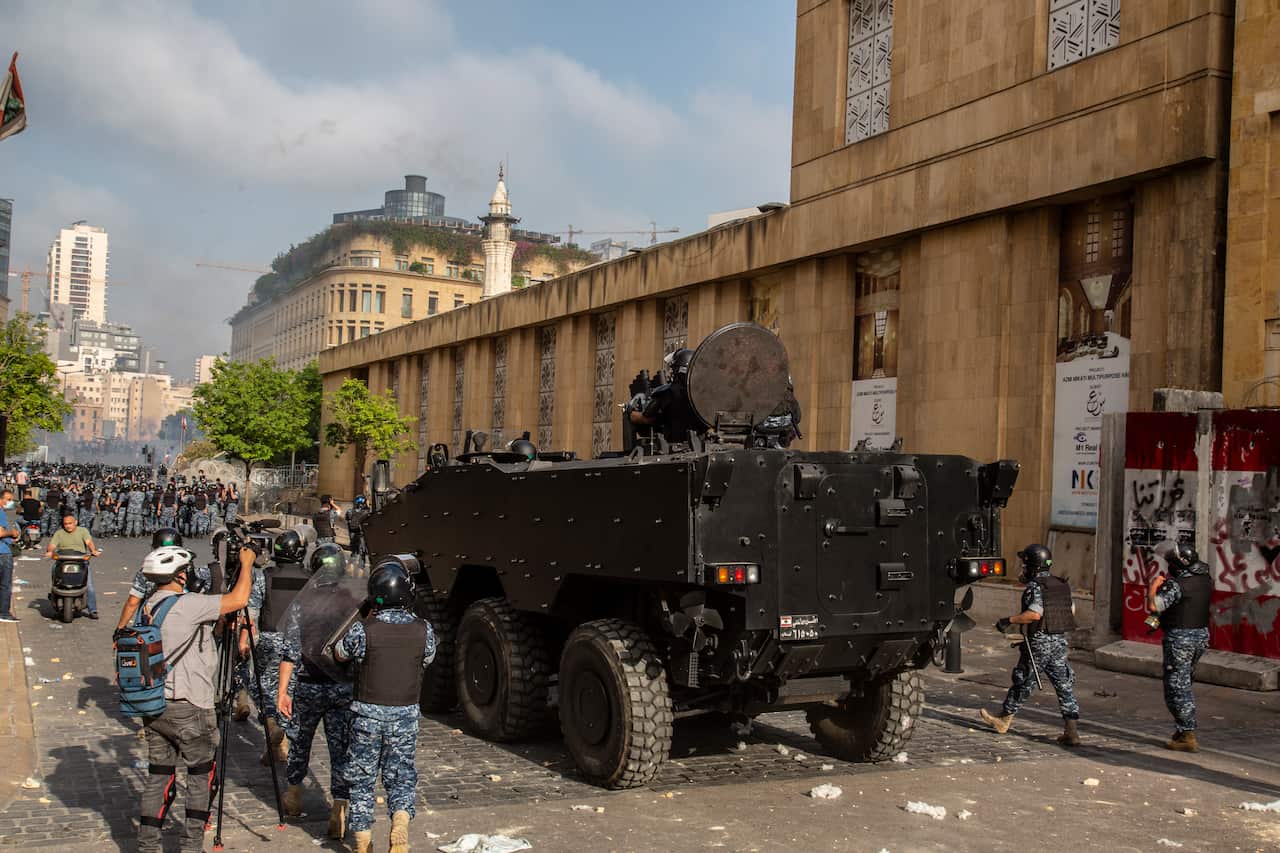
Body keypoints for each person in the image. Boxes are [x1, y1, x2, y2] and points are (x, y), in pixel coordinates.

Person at [129, 543, 256, 853]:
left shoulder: (149, 607)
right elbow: (239, 599)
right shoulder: (187, 604)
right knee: (201, 777)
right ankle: (190, 846)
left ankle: (147, 846)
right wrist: (248, 563)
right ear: (181, 576)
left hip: (155, 704)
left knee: (159, 776)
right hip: (191, 706)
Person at [335, 561, 435, 853]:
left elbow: (340, 654)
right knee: (401, 774)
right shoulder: (423, 629)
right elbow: (426, 659)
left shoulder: (364, 630)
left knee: (362, 780)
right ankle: (401, 818)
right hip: (405, 715)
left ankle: (363, 841)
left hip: (367, 715)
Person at [276, 543, 355, 837]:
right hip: (341, 688)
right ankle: (339, 807)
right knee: (341, 750)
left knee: (299, 744)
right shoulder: (351, 603)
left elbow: (290, 652)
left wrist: (282, 691)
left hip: (308, 686)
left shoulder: (302, 603)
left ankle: (294, 796)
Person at [980, 544, 1081, 746]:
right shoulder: (1061, 585)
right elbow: (1071, 611)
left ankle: (1003, 719)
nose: (1022, 569)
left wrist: (1009, 620)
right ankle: (1072, 732)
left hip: (1040, 643)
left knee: (1024, 679)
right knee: (1064, 685)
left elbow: (1034, 614)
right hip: (1059, 641)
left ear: (1032, 566)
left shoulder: (1036, 587)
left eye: (1024, 564)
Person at [248, 530, 309, 766]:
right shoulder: (311, 578)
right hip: (300, 643)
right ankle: (281, 740)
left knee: (259, 687)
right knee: (290, 692)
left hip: (269, 639)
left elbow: (253, 610)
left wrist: (248, 638)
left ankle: (272, 724)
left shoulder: (266, 576)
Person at [1147, 541, 1213, 753]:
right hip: (1200, 636)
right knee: (1185, 681)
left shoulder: (1176, 585)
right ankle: (1181, 730)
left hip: (1180, 639)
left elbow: (1154, 605)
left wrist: (1154, 586)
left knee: (1177, 687)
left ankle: (1187, 734)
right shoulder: (1204, 579)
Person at [628, 348, 707, 445]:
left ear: (678, 370)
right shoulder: (704, 393)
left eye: (673, 368)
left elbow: (646, 417)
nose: (671, 372)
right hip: (702, 445)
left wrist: (630, 413)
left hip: (673, 446)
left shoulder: (666, 392)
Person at [46, 512, 103, 619]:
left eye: (70, 523)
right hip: (63, 560)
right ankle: (55, 599)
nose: (68, 526)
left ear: (75, 522)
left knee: (89, 586)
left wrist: (93, 551)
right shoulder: (59, 533)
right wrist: (50, 551)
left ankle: (93, 610)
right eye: (66, 524)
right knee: (54, 575)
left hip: (79, 561)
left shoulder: (83, 531)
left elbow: (89, 542)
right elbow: (52, 545)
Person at [0, 489, 21, 623]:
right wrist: (12, 533)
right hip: (3, 552)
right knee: (5, 584)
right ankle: (4, 613)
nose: (10, 502)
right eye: (8, 499)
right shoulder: (0, 513)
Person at [345, 496, 370, 566]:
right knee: (362, 555)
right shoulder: (366, 513)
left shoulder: (349, 512)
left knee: (353, 553)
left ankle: (351, 573)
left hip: (352, 534)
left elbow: (347, 521)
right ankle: (360, 574)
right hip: (362, 535)